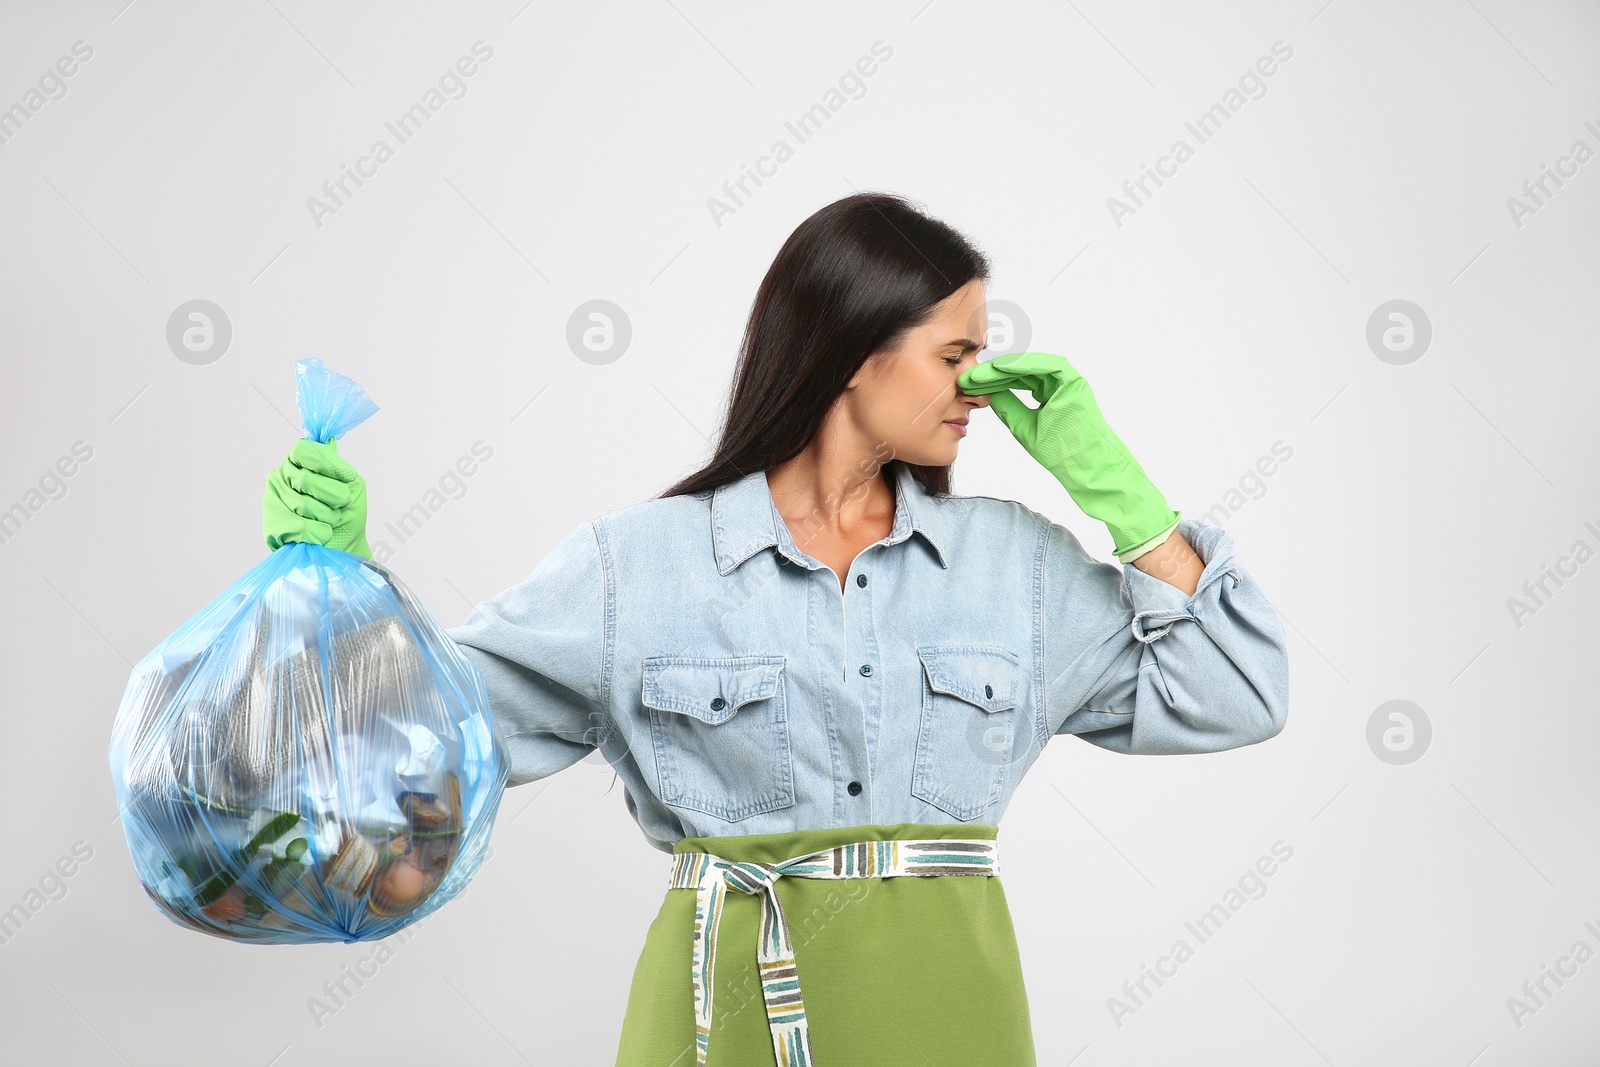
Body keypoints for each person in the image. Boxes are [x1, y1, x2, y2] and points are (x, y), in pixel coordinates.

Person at [262, 191, 1290, 1066]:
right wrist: (343, 589)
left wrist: (1125, 502)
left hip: (949, 1025)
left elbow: (1239, 692)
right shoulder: (636, 567)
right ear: (855, 354)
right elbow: (424, 742)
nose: (979, 388)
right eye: (955, 355)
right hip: (719, 1024)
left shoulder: (1012, 567)